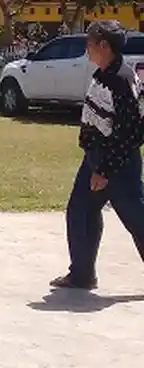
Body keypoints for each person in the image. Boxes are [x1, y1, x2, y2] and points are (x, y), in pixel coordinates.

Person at [50, 20, 144, 290]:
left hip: (116, 163)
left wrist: (104, 169)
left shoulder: (121, 80)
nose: (87, 48)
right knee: (80, 211)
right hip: (95, 158)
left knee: (137, 218)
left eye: (90, 43)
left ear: (104, 45)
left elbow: (131, 133)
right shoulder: (103, 74)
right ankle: (82, 274)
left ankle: (81, 273)